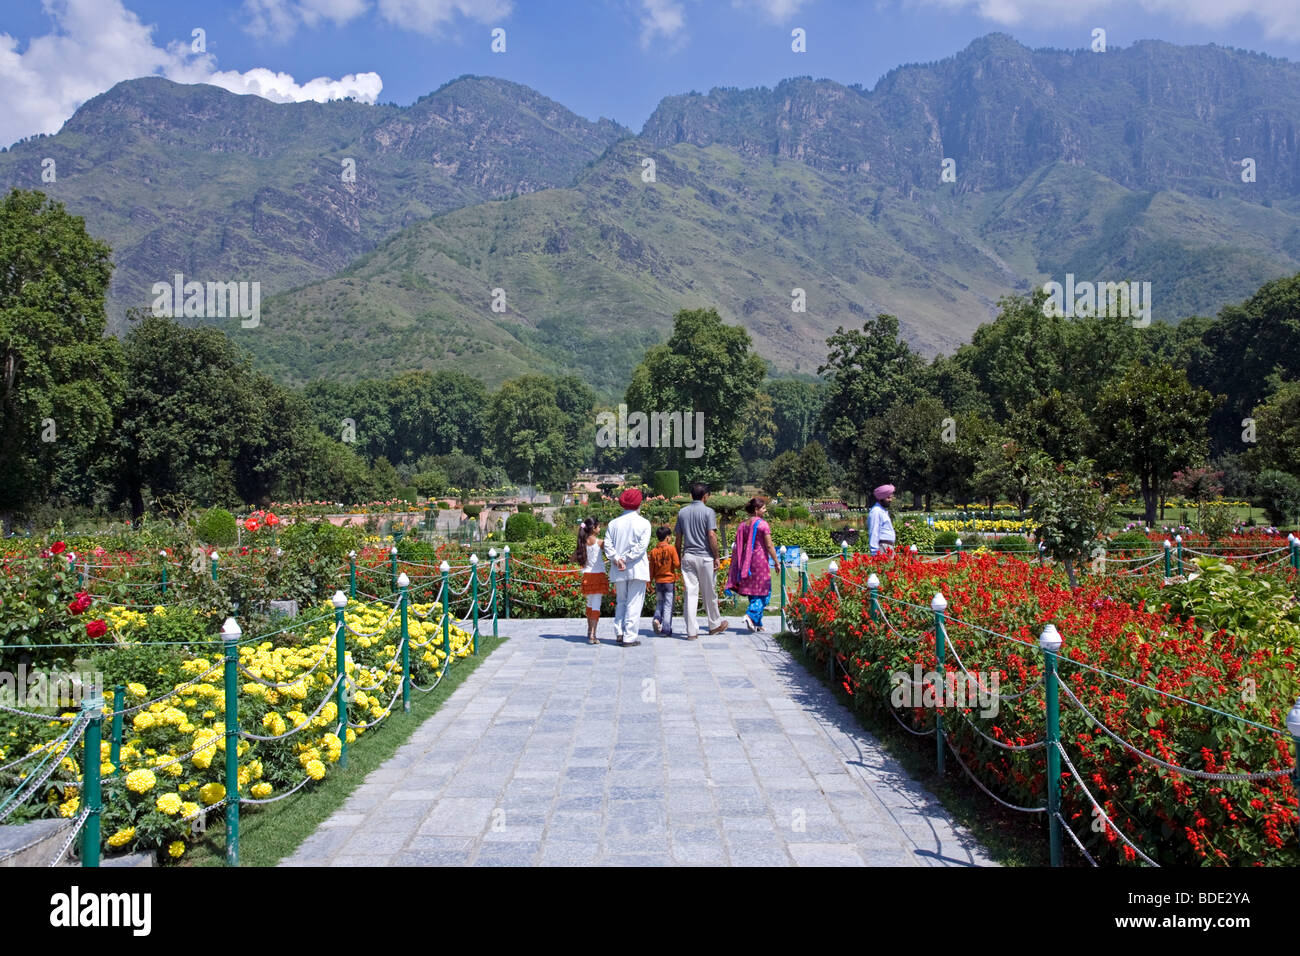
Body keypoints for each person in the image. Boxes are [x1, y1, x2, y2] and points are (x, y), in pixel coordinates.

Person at [674, 482, 728, 640]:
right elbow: (711, 535)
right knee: (709, 592)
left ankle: (691, 631)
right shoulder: (708, 511)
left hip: (688, 556)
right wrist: (717, 556)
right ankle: (714, 624)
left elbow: (678, 539)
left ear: (691, 495)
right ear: (705, 496)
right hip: (705, 557)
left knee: (690, 594)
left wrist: (678, 556)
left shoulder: (682, 512)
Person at [604, 488, 652, 646]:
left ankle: (619, 631)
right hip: (636, 567)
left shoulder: (613, 523)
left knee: (621, 601)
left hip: (619, 568)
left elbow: (608, 545)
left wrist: (618, 559)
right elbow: (641, 548)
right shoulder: (644, 523)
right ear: (639, 503)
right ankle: (629, 636)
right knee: (634, 602)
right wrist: (626, 558)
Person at [726, 496, 779, 632]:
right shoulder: (762, 524)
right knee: (763, 591)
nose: (765, 510)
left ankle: (757, 623)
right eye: (763, 508)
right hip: (760, 561)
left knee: (753, 592)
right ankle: (750, 615)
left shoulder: (743, 525)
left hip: (747, 562)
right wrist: (777, 561)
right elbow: (769, 545)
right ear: (756, 510)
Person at [574, 517, 606, 645]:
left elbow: (576, 558)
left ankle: (589, 630)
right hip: (597, 576)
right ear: (594, 528)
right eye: (599, 526)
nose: (600, 528)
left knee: (589, 604)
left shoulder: (582, 542)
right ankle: (593, 633)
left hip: (587, 576)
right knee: (596, 605)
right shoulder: (599, 542)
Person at [648, 525, 680, 637]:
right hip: (669, 581)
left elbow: (650, 569)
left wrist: (649, 582)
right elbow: (676, 564)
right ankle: (666, 629)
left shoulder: (653, 551)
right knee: (668, 605)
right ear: (667, 537)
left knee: (660, 602)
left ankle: (657, 618)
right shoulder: (671, 549)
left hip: (658, 581)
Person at [869, 484, 896, 555]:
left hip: (887, 547)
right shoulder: (876, 511)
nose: (890, 500)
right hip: (882, 548)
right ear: (881, 498)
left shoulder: (882, 511)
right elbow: (874, 531)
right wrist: (875, 552)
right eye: (888, 498)